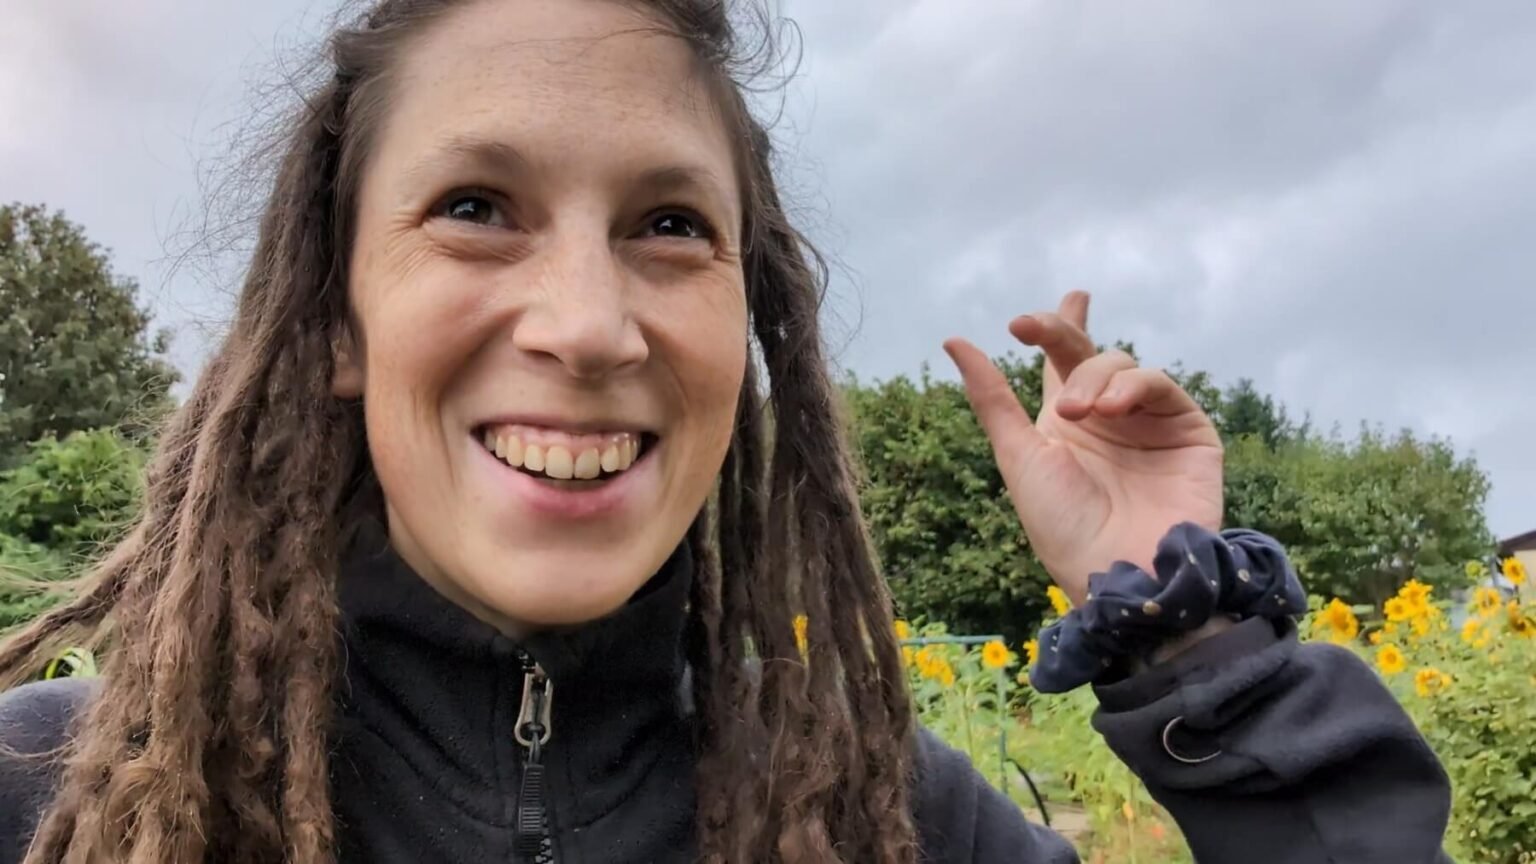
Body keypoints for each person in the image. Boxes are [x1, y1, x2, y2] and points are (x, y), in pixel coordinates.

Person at [0, 1, 1452, 862]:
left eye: (670, 226)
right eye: (476, 209)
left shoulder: (883, 824)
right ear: (333, 318)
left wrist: (1188, 638)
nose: (588, 323)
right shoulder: (52, 805)